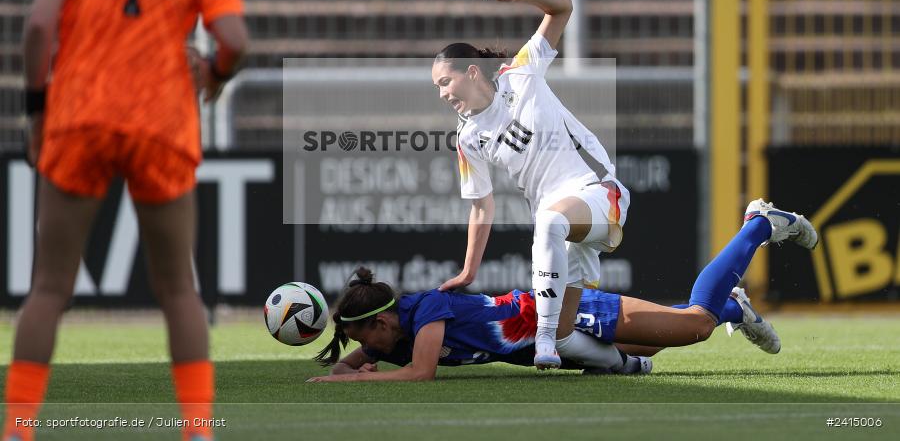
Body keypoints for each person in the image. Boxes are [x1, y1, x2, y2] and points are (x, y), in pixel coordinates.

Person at [3, 0, 247, 440]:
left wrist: (37, 110)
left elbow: (37, 27)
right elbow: (235, 38)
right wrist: (213, 74)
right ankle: (197, 430)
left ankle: (17, 429)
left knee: (50, 287)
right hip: (160, 123)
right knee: (177, 290)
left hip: (79, 117)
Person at [307, 200, 818, 382]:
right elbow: (365, 359)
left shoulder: (427, 312)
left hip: (562, 316)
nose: (363, 350)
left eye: (361, 339)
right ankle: (735, 304)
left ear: (383, 321)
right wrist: (346, 364)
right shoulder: (391, 334)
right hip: (556, 340)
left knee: (697, 327)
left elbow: (421, 374)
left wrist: (351, 380)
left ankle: (757, 225)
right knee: (655, 343)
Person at [431, 0, 630, 369]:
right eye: (436, 87)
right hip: (560, 227)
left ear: (472, 71)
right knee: (568, 340)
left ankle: (541, 336)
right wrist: (469, 270)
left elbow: (563, 7)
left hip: (599, 193)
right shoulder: (468, 137)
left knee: (549, 223)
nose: (442, 93)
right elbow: (481, 207)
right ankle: (632, 365)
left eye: (445, 81)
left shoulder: (521, 74)